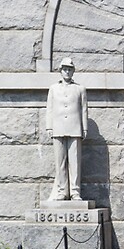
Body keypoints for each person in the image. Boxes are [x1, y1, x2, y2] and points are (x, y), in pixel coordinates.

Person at [46, 57, 88, 201]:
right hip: (58, 127)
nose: (67, 72)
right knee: (60, 161)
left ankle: (75, 191)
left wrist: (85, 128)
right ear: (60, 71)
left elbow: (84, 109)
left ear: (73, 71)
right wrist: (49, 126)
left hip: (75, 127)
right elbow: (49, 108)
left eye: (70, 69)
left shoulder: (80, 89)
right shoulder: (53, 88)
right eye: (65, 69)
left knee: (75, 162)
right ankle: (62, 191)